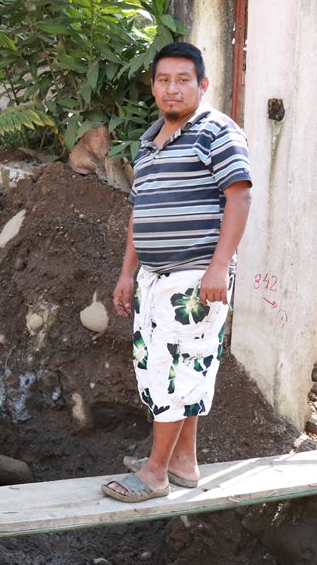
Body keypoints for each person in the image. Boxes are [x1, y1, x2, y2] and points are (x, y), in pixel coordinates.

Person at [102, 41, 252, 503]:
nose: (172, 89)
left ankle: (154, 473)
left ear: (202, 85)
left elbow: (239, 197)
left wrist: (219, 266)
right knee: (175, 366)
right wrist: (128, 273)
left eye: (183, 80)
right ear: (153, 87)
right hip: (154, 277)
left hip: (194, 276)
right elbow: (139, 214)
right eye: (164, 80)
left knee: (174, 368)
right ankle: (183, 462)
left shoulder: (217, 132)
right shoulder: (149, 145)